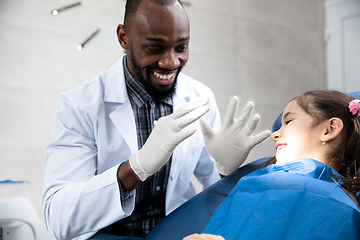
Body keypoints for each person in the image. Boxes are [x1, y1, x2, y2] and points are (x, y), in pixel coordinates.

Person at [42, 0, 270, 239]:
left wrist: (225, 171)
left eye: (181, 47)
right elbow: (59, 220)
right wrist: (135, 168)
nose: (170, 62)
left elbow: (213, 193)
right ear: (124, 37)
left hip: (177, 232)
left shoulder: (200, 98)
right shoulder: (79, 105)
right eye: (154, 48)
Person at [185, 90, 360, 240]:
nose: (275, 134)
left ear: (329, 129)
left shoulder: (343, 208)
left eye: (289, 121)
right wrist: (224, 172)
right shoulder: (257, 179)